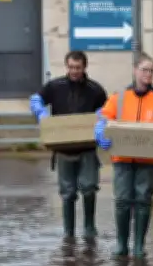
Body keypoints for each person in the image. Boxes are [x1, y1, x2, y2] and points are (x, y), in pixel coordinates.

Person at [94, 53, 153, 257]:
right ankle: (121, 244)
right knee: (122, 200)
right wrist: (100, 132)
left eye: (152, 71)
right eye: (144, 69)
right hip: (123, 159)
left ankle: (139, 246)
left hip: (149, 160)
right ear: (135, 70)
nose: (148, 74)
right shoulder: (118, 98)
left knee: (143, 199)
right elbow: (103, 118)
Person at [29, 50, 108, 239]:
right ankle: (69, 231)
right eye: (71, 67)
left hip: (87, 148)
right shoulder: (55, 86)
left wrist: (102, 119)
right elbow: (37, 98)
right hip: (63, 148)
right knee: (67, 192)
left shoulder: (95, 89)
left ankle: (89, 226)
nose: (74, 71)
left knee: (89, 187)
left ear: (84, 67)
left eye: (78, 68)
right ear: (67, 66)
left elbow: (107, 110)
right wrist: (40, 111)